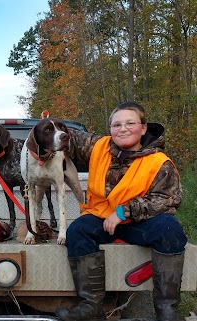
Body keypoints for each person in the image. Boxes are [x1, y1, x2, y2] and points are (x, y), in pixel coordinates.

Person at [55, 102, 187, 321]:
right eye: (116, 125)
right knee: (77, 230)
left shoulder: (159, 162)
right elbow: (69, 138)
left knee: (170, 228)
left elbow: (168, 199)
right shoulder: (98, 146)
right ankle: (91, 306)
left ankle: (167, 309)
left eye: (130, 123)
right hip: (101, 218)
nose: (122, 129)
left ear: (144, 128)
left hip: (140, 223)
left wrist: (124, 212)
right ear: (110, 129)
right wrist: (44, 131)